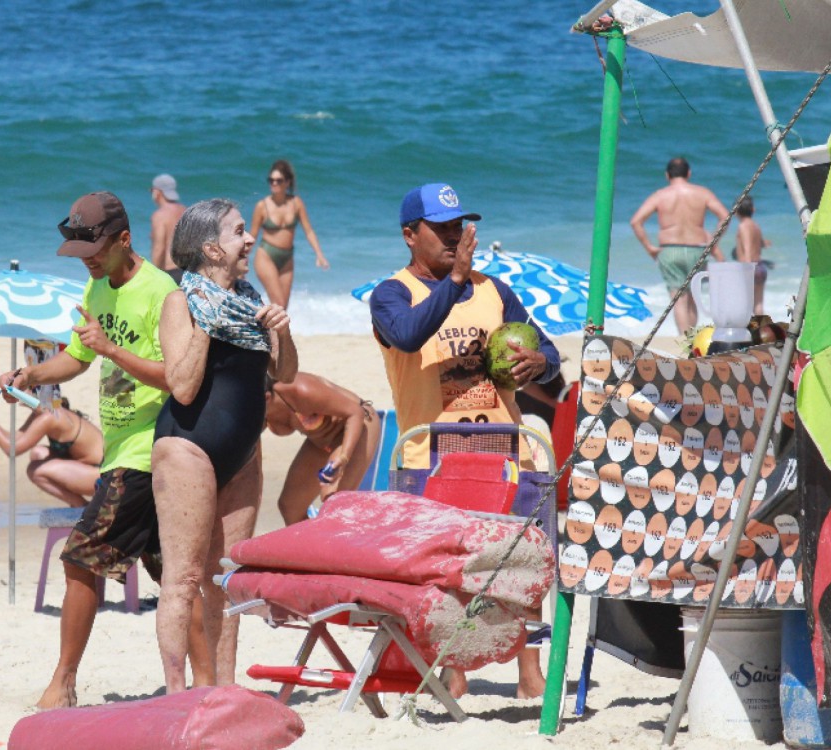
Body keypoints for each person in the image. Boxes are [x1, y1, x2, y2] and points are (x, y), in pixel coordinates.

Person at [0, 191, 211, 708]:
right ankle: (209, 685)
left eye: (94, 249)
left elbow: (178, 377)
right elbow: (77, 356)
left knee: (80, 560)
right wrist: (32, 374)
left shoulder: (162, 294)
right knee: (174, 574)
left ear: (124, 239)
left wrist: (111, 348)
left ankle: (63, 683)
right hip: (122, 451)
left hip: (150, 449)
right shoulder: (97, 286)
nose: (87, 261)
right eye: (79, 251)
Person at [369, 183, 561, 699]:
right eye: (442, 228)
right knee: (446, 571)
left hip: (502, 448)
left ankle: (529, 674)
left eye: (459, 226)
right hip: (429, 456)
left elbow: (545, 347)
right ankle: (454, 675)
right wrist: (453, 282)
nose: (454, 236)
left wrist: (541, 362)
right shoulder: (391, 294)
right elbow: (408, 335)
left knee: (521, 562)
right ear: (411, 235)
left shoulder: (493, 290)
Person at [152, 198, 297, 693]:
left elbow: (286, 375)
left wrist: (282, 331)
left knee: (227, 577)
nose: (250, 238)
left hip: (243, 454)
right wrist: (207, 328)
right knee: (184, 578)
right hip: (187, 448)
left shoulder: (251, 300)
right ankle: (176, 694)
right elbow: (184, 387)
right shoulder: (180, 301)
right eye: (239, 232)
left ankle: (223, 690)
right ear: (212, 248)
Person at [264, 372, 380, 525]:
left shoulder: (300, 390)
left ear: (266, 398)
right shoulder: (254, 409)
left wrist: (344, 456)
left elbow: (355, 412)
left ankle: (342, 546)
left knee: (332, 500)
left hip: (356, 426)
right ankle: (310, 548)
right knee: (290, 507)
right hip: (320, 441)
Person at [630, 157, 730, 332]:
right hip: (697, 249)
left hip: (670, 250)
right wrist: (713, 240)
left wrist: (649, 247)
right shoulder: (702, 193)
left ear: (667, 175)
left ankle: (684, 341)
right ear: (689, 173)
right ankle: (692, 341)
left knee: (678, 299)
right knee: (692, 297)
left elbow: (636, 222)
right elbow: (725, 216)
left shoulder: (660, 195)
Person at [0, 390, 102, 508]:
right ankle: (81, 506)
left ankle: (81, 507)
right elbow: (15, 439)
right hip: (87, 468)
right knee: (38, 452)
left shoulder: (50, 416)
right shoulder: (43, 411)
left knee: (35, 471)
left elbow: (11, 450)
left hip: (104, 476)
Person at [249, 159, 329, 308]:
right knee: (278, 304)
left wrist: (319, 254)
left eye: (278, 180)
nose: (274, 183)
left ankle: (268, 331)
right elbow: (252, 235)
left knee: (283, 308)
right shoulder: (262, 206)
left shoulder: (296, 203)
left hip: (287, 258)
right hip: (266, 255)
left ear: (287, 182)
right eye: (271, 180)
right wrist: (241, 261)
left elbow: (309, 230)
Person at [733, 196, 771, 315]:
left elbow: (748, 247)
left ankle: (749, 331)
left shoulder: (743, 226)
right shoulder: (756, 226)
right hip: (760, 266)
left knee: (746, 304)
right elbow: (761, 244)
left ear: (736, 212)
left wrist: (747, 269)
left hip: (750, 267)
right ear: (753, 210)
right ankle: (760, 330)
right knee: (758, 304)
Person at [150, 174, 186, 282]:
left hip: (170, 272)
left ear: (157, 192)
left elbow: (159, 248)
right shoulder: (185, 211)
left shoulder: (160, 215)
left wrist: (154, 276)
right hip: (187, 270)